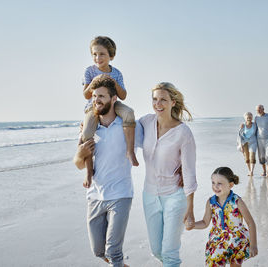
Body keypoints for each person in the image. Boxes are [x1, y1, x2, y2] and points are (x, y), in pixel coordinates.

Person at [74, 76, 142, 267]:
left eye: (102, 96)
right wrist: (80, 153)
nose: (97, 100)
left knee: (114, 250)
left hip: (121, 194)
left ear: (114, 99)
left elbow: (155, 143)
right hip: (95, 195)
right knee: (98, 251)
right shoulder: (90, 129)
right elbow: (79, 164)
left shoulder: (128, 127)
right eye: (95, 96)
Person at [138, 82, 197, 267]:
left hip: (175, 197)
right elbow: (122, 124)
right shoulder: (145, 122)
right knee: (157, 250)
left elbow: (189, 172)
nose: (158, 104)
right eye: (155, 99)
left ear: (173, 102)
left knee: (169, 252)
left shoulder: (183, 133)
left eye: (163, 99)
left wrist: (190, 208)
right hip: (149, 195)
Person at [80, 36, 138, 189]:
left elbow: (123, 95)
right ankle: (88, 170)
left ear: (111, 56)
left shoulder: (117, 73)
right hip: (93, 107)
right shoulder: (89, 71)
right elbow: (86, 94)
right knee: (86, 133)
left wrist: (113, 83)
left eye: (102, 54)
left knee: (129, 113)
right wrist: (94, 82)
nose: (97, 58)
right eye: (94, 54)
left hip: (113, 103)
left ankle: (130, 151)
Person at [193, 167, 258, 267]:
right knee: (214, 263)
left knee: (235, 264)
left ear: (230, 185)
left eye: (219, 183)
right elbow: (205, 222)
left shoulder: (237, 201)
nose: (215, 186)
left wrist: (253, 245)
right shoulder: (211, 202)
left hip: (237, 240)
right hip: (217, 240)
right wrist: (193, 225)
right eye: (213, 182)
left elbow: (250, 222)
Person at [237, 112, 257, 176]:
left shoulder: (255, 125)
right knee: (247, 158)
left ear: (252, 118)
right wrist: (240, 145)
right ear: (245, 118)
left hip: (253, 142)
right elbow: (239, 136)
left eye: (250, 117)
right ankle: (249, 170)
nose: (249, 119)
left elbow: (260, 131)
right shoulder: (243, 125)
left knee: (252, 156)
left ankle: (252, 171)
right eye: (247, 117)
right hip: (244, 143)